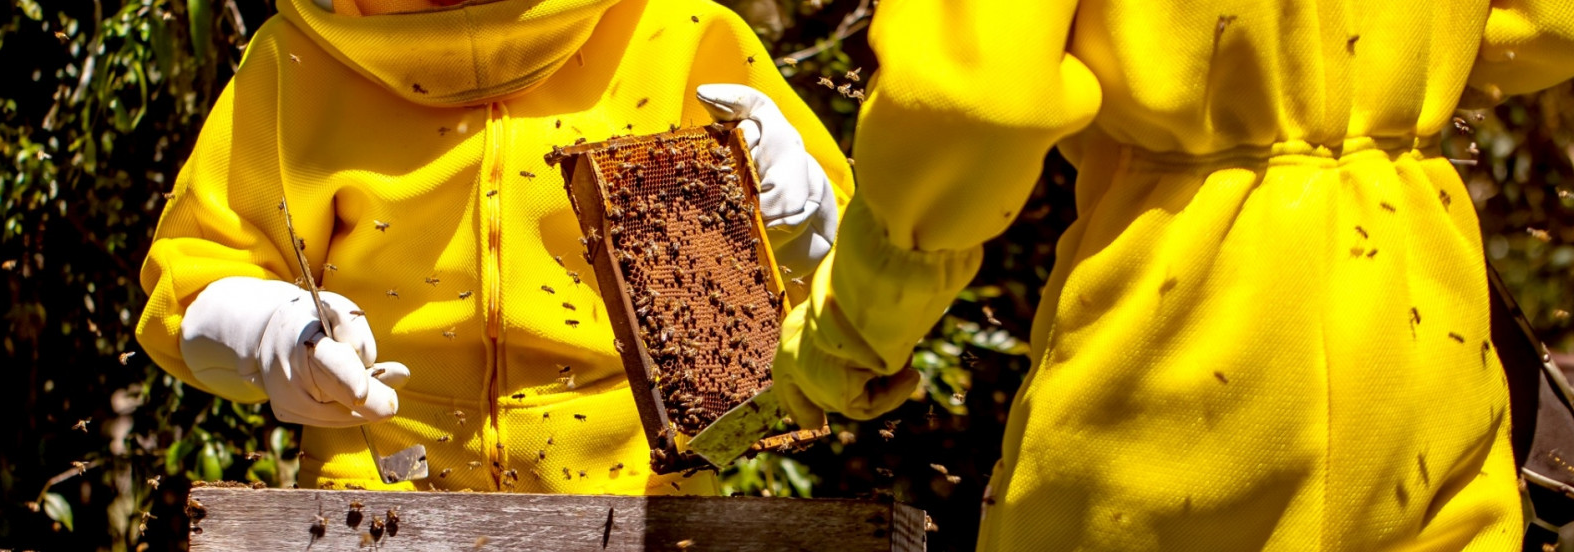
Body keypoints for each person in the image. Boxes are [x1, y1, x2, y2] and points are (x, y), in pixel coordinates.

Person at [773, 0, 1574, 549]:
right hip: (1425, 298)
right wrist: (1391, 85)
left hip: (1185, 324)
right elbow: (1545, 24)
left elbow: (972, 97)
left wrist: (855, 321)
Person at [134, 0, 850, 494]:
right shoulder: (297, 60)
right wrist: (270, 334)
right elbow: (195, 283)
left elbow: (863, 297)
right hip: (375, 509)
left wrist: (806, 225)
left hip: (644, 508)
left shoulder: (680, 31)